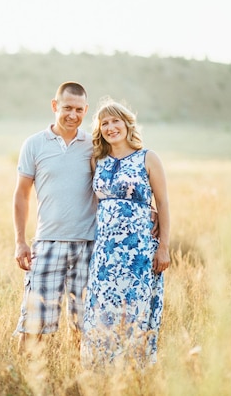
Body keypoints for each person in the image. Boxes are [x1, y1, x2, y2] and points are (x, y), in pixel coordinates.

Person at [81, 96, 170, 368]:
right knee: (102, 310)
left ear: (127, 124)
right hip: (106, 254)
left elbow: (163, 202)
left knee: (136, 309)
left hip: (139, 252)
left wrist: (164, 246)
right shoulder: (98, 161)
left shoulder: (148, 157)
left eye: (115, 120)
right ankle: (102, 371)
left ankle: (135, 372)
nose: (110, 127)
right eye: (104, 123)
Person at [13, 81, 97, 353]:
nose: (73, 115)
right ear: (54, 106)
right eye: (67, 108)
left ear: (86, 110)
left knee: (84, 322)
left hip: (88, 244)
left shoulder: (94, 145)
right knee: (34, 322)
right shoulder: (34, 144)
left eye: (79, 109)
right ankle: (24, 379)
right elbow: (21, 195)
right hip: (47, 243)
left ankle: (76, 378)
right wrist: (20, 241)